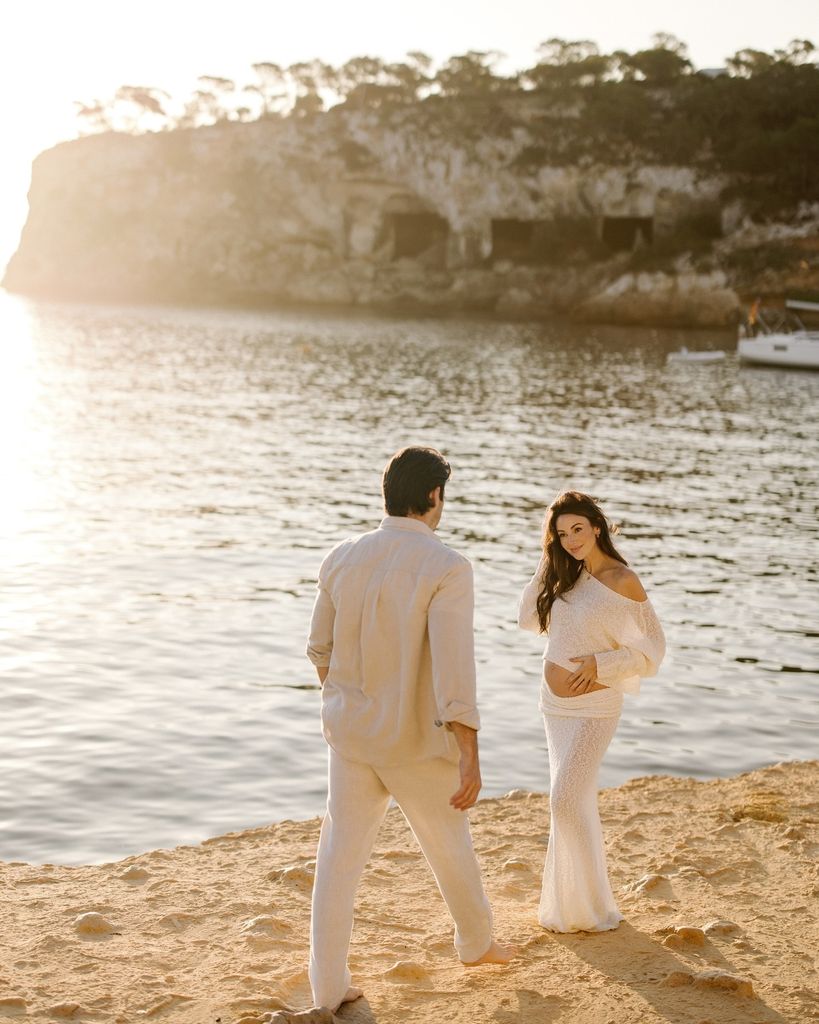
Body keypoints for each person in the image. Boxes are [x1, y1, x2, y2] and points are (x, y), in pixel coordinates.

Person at [306, 446, 514, 1012]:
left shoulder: (341, 556)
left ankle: (327, 990)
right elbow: (454, 671)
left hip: (350, 736)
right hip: (415, 740)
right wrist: (468, 750)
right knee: (449, 845)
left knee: (337, 861)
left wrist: (349, 695)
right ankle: (475, 944)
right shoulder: (447, 566)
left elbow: (318, 651)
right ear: (433, 497)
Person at [518, 491, 665, 933]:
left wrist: (601, 665)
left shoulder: (623, 580)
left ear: (596, 527)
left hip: (596, 707)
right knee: (573, 801)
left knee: (564, 800)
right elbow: (528, 619)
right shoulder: (566, 575)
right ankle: (573, 906)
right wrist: (547, 561)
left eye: (577, 529)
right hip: (553, 709)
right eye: (561, 534)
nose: (571, 540)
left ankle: (595, 908)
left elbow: (653, 650)